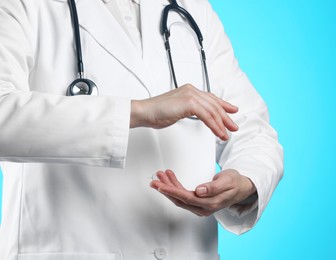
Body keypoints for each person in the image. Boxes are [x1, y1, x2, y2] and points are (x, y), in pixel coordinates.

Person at [0, 0, 284, 259]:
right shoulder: (22, 5)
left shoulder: (193, 9)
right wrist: (138, 111)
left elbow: (250, 127)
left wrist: (245, 180)